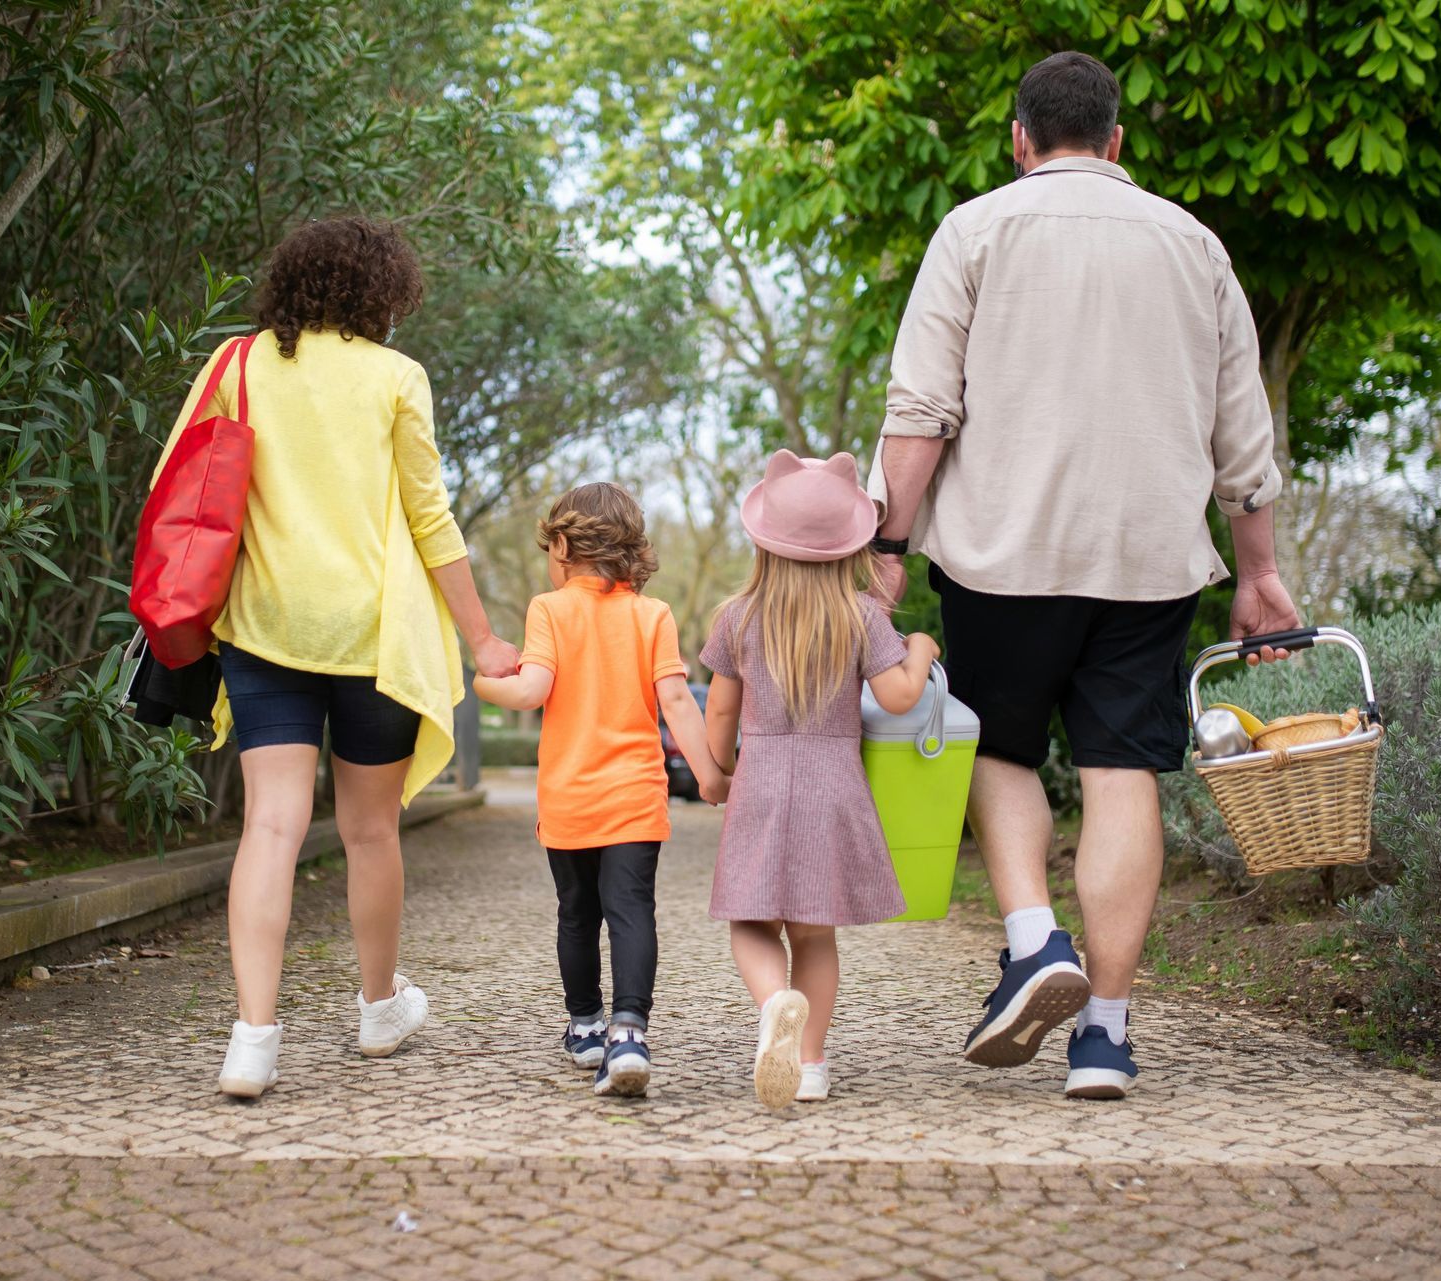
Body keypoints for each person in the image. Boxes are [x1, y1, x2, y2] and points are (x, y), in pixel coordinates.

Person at [867, 52, 1300, 1100]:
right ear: (1116, 143)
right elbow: (1242, 432)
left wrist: (886, 544)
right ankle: (1103, 1034)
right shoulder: (1195, 246)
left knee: (1001, 750)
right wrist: (1259, 573)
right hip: (1149, 560)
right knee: (1121, 773)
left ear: (1021, 140)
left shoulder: (974, 230)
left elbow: (921, 412)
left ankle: (1032, 943)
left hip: (1001, 554)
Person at [149, 217, 522, 1099]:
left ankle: (253, 1038)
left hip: (267, 625)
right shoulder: (397, 377)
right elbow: (430, 519)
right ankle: (378, 1006)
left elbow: (180, 480)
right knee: (369, 830)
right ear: (381, 294)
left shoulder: (237, 364)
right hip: (372, 634)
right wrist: (482, 637)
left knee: (271, 826)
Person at [702, 450, 941, 1109]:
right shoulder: (862, 615)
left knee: (752, 922)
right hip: (834, 785)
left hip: (761, 782)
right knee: (815, 931)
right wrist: (920, 649)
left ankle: (775, 1001)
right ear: (849, 546)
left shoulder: (738, 615)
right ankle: (809, 1065)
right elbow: (897, 696)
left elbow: (720, 710)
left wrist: (718, 770)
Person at [473, 483, 727, 1097]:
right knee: (632, 910)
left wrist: (485, 685)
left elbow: (531, 689)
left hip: (570, 798)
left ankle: (585, 1025)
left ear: (561, 545)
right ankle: (629, 1032)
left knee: (577, 914)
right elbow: (674, 702)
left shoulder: (549, 608)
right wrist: (714, 775)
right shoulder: (653, 614)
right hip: (636, 797)